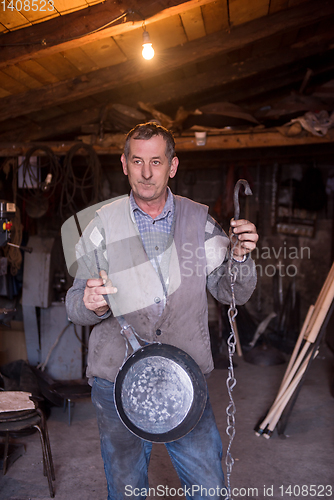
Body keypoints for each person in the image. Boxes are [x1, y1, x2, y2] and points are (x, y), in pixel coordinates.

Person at [65, 122, 258, 500]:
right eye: (138, 161)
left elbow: (230, 291)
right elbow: (75, 304)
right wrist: (88, 303)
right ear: (124, 164)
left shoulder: (199, 222)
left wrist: (239, 256)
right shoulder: (101, 226)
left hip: (184, 378)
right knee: (126, 489)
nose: (147, 172)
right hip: (116, 379)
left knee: (208, 488)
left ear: (173, 166)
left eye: (156, 161)